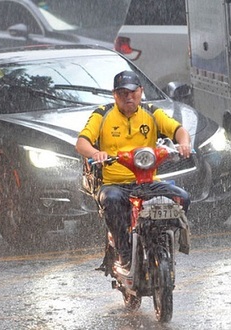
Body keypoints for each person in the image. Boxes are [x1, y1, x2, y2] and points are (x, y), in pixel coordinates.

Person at [76, 70, 191, 270]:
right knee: (111, 201)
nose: (128, 97)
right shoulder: (102, 114)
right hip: (115, 185)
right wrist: (96, 153)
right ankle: (123, 251)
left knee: (183, 198)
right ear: (114, 95)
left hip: (148, 182)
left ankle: (167, 240)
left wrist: (184, 144)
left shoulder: (152, 113)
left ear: (141, 91)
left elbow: (178, 130)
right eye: (122, 93)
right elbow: (81, 142)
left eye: (132, 92)